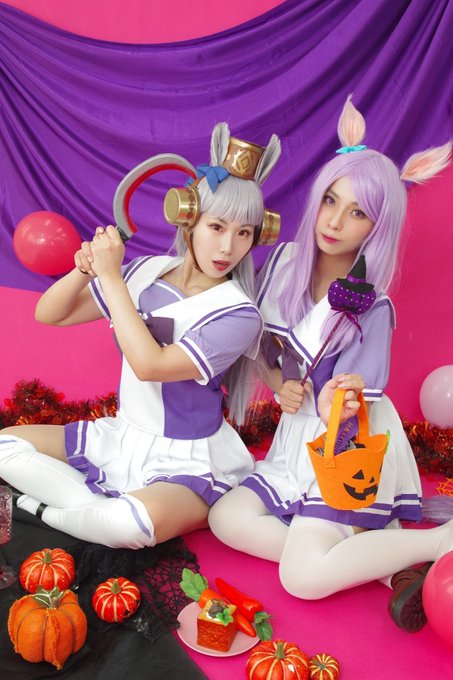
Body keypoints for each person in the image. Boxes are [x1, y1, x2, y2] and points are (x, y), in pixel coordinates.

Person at [208, 97, 452, 632]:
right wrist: (281, 383)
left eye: (358, 213)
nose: (335, 221)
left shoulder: (372, 304)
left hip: (347, 441)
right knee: (226, 518)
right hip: (295, 440)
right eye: (330, 201)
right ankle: (379, 563)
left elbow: (358, 397)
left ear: (378, 227)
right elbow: (266, 348)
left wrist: (331, 398)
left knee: (302, 578)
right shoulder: (284, 264)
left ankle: (438, 542)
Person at [0, 122, 281, 550]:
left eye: (244, 233)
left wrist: (112, 278)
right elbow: (50, 314)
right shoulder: (146, 272)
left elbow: (151, 366)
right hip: (123, 436)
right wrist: (86, 268)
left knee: (125, 528)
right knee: (5, 447)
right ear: (188, 220)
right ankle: (92, 512)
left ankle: (47, 510)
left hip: (187, 459)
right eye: (217, 227)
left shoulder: (239, 314)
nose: (228, 247)